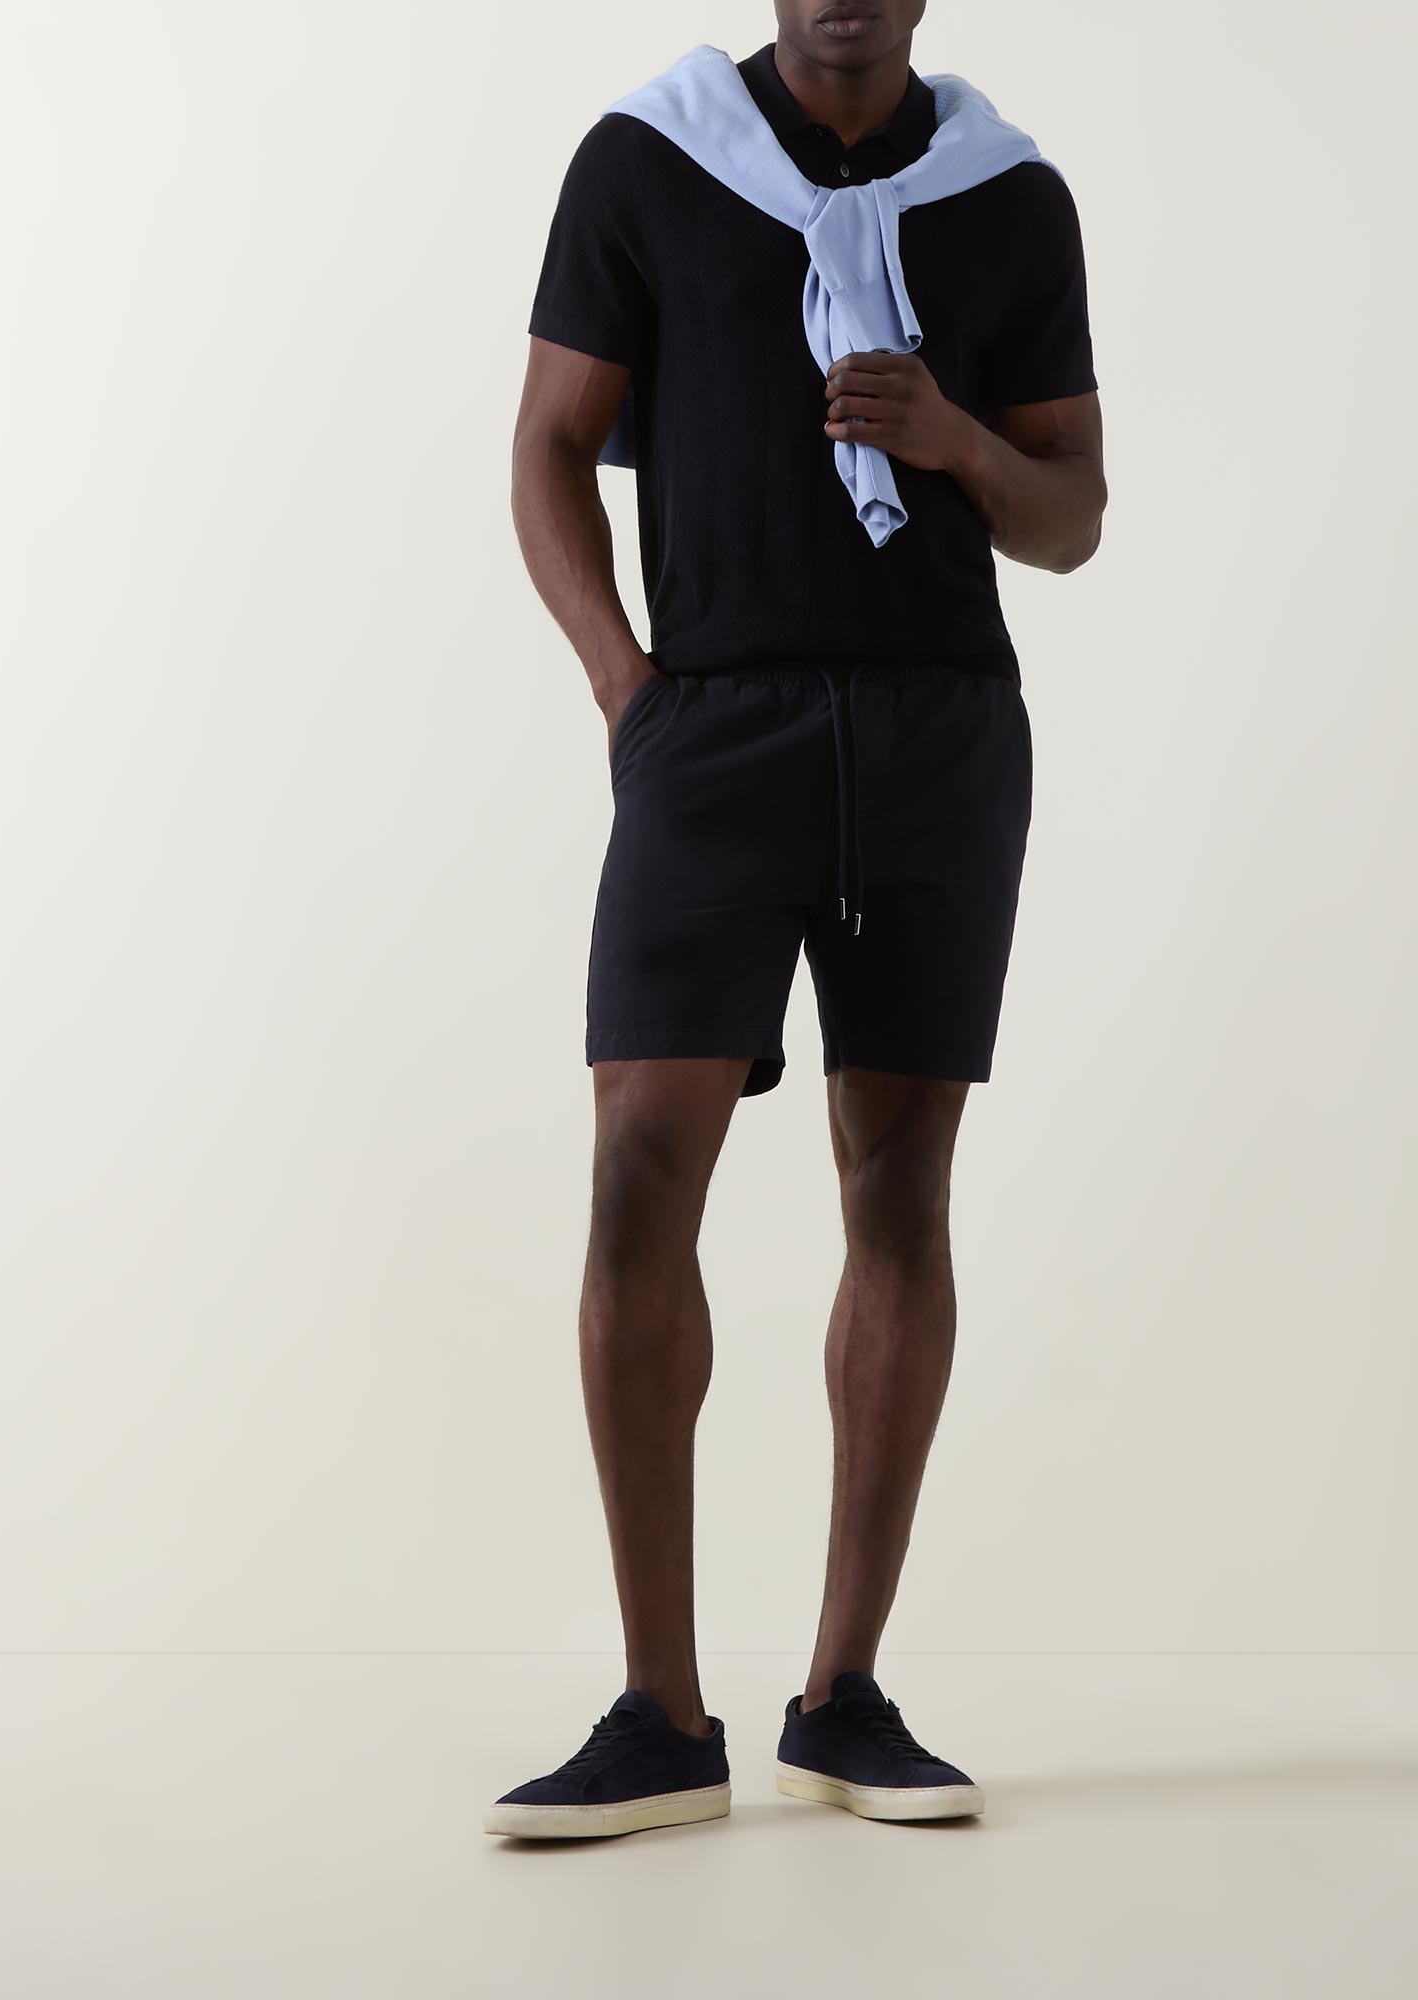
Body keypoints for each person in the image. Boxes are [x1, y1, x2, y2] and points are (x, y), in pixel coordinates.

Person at [488, 0, 1105, 1838]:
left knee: (900, 1193)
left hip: (939, 734)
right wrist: (631, 695)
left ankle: (843, 1701)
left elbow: (1070, 517)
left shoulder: (1009, 193)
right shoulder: (651, 160)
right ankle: (659, 1716)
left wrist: (953, 437)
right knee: (635, 1176)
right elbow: (546, 445)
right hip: (716, 725)